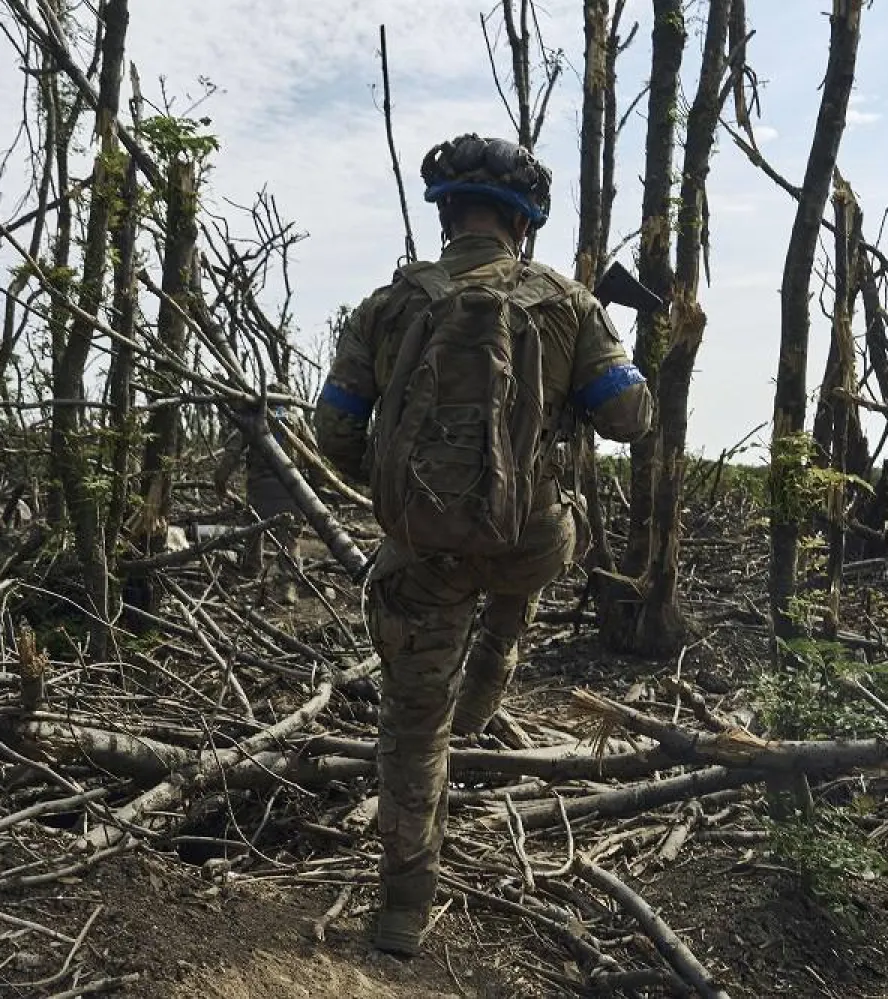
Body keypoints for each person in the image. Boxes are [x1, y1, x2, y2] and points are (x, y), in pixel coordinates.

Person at [313, 133, 654, 957]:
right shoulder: (568, 303)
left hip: (424, 554)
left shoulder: (388, 306)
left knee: (411, 724)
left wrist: (403, 495)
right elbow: (629, 418)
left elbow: (332, 430)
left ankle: (402, 914)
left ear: (445, 215)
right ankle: (491, 674)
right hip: (531, 540)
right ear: (524, 224)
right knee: (522, 563)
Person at [213, 383, 306, 606]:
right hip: (292, 486)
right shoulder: (296, 420)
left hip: (259, 488)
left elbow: (232, 453)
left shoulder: (254, 418)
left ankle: (251, 572)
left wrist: (220, 482)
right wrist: (315, 488)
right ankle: (288, 587)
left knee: (254, 531)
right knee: (290, 539)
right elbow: (310, 451)